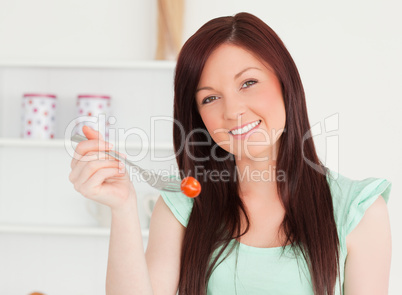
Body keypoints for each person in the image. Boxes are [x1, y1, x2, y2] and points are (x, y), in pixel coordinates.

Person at [68, 12, 392, 295]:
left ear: (285, 82)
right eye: (210, 98)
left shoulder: (358, 210)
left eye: (248, 82)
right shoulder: (182, 204)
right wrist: (123, 208)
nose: (233, 110)